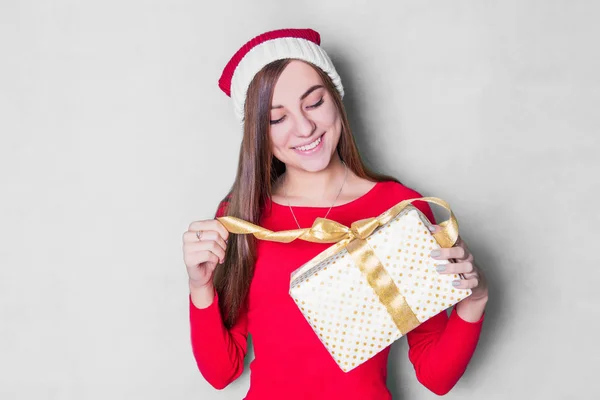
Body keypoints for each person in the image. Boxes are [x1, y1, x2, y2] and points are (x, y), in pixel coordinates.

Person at [182, 28, 488, 399]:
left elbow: (435, 376)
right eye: (277, 118)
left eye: (313, 103)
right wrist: (200, 288)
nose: (305, 127)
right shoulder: (241, 216)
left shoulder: (397, 209)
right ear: (258, 134)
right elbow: (220, 372)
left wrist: (474, 300)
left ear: (336, 98)